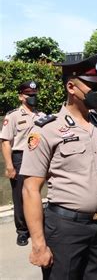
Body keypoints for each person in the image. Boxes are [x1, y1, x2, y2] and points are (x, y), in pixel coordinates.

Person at [21, 54, 97, 279]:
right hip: (66, 229)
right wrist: (38, 244)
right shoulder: (46, 129)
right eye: (93, 86)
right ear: (71, 87)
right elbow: (30, 189)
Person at [0, 80, 44, 246]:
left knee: (35, 194)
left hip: (38, 158)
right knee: (19, 196)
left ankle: (37, 228)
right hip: (20, 158)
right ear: (21, 97)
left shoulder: (41, 116)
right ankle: (22, 231)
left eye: (34, 94)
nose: (32, 97)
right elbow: (5, 142)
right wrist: (9, 165)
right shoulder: (13, 116)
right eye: (29, 95)